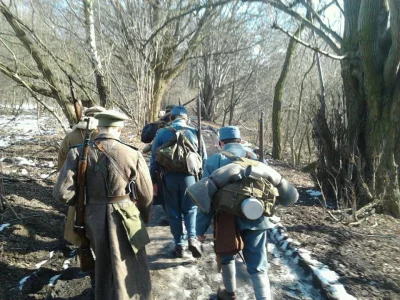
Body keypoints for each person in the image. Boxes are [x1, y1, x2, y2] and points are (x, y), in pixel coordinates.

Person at [53, 110, 153, 300]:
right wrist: (144, 217)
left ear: (98, 128)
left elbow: (61, 193)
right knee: (129, 264)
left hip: (90, 217)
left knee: (101, 266)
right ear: (119, 129)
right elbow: (145, 194)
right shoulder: (132, 153)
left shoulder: (77, 152)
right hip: (126, 216)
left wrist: (83, 202)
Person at [196, 126, 271, 300]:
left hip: (225, 219)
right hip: (256, 217)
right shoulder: (256, 159)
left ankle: (230, 294)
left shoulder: (214, 160)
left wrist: (199, 229)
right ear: (240, 140)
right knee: (258, 266)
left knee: (227, 255)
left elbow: (206, 196)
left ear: (220, 143)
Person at [150, 105, 207, 258]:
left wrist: (153, 180)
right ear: (186, 118)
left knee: (173, 213)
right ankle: (192, 238)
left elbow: (154, 161)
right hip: (190, 178)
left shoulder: (162, 133)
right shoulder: (195, 133)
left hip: (168, 179)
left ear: (171, 118)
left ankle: (179, 245)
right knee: (190, 210)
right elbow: (204, 160)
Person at [57, 106, 106, 247]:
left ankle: (81, 249)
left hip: (76, 188)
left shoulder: (71, 136)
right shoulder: (106, 136)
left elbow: (61, 164)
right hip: (100, 192)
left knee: (77, 222)